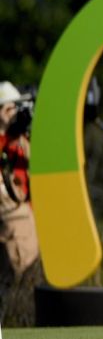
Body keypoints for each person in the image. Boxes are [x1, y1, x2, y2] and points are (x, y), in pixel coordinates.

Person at [0, 81, 38, 305]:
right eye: (10, 108)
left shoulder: (20, 139)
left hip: (25, 209)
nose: (15, 113)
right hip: (13, 216)